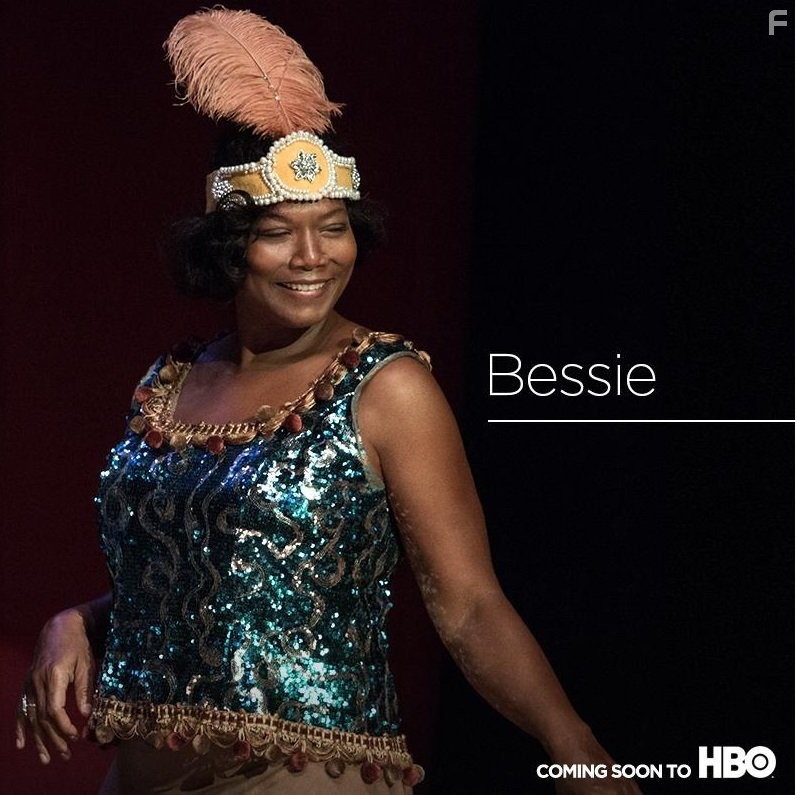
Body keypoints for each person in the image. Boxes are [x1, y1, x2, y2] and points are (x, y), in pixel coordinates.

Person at [15, 8, 643, 794]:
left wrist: (572, 744)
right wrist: (77, 621)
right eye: (278, 231)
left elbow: (468, 605)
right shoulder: (171, 381)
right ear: (228, 242)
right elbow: (203, 580)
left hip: (302, 773)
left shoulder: (384, 386)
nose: (312, 256)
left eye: (333, 227)